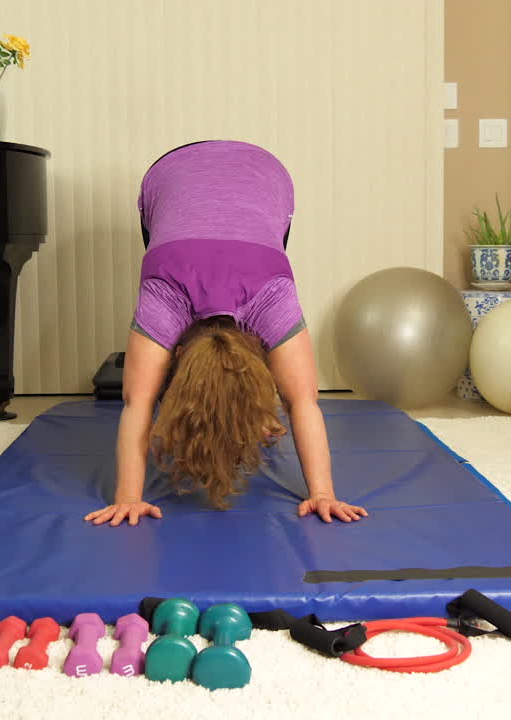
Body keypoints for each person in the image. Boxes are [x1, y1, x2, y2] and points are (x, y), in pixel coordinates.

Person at [84, 141, 367, 528]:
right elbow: (304, 402)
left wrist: (128, 499)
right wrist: (322, 494)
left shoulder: (173, 299)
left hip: (232, 181)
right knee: (297, 389)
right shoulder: (264, 298)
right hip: (240, 177)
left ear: (178, 351)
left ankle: (252, 411)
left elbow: (137, 402)